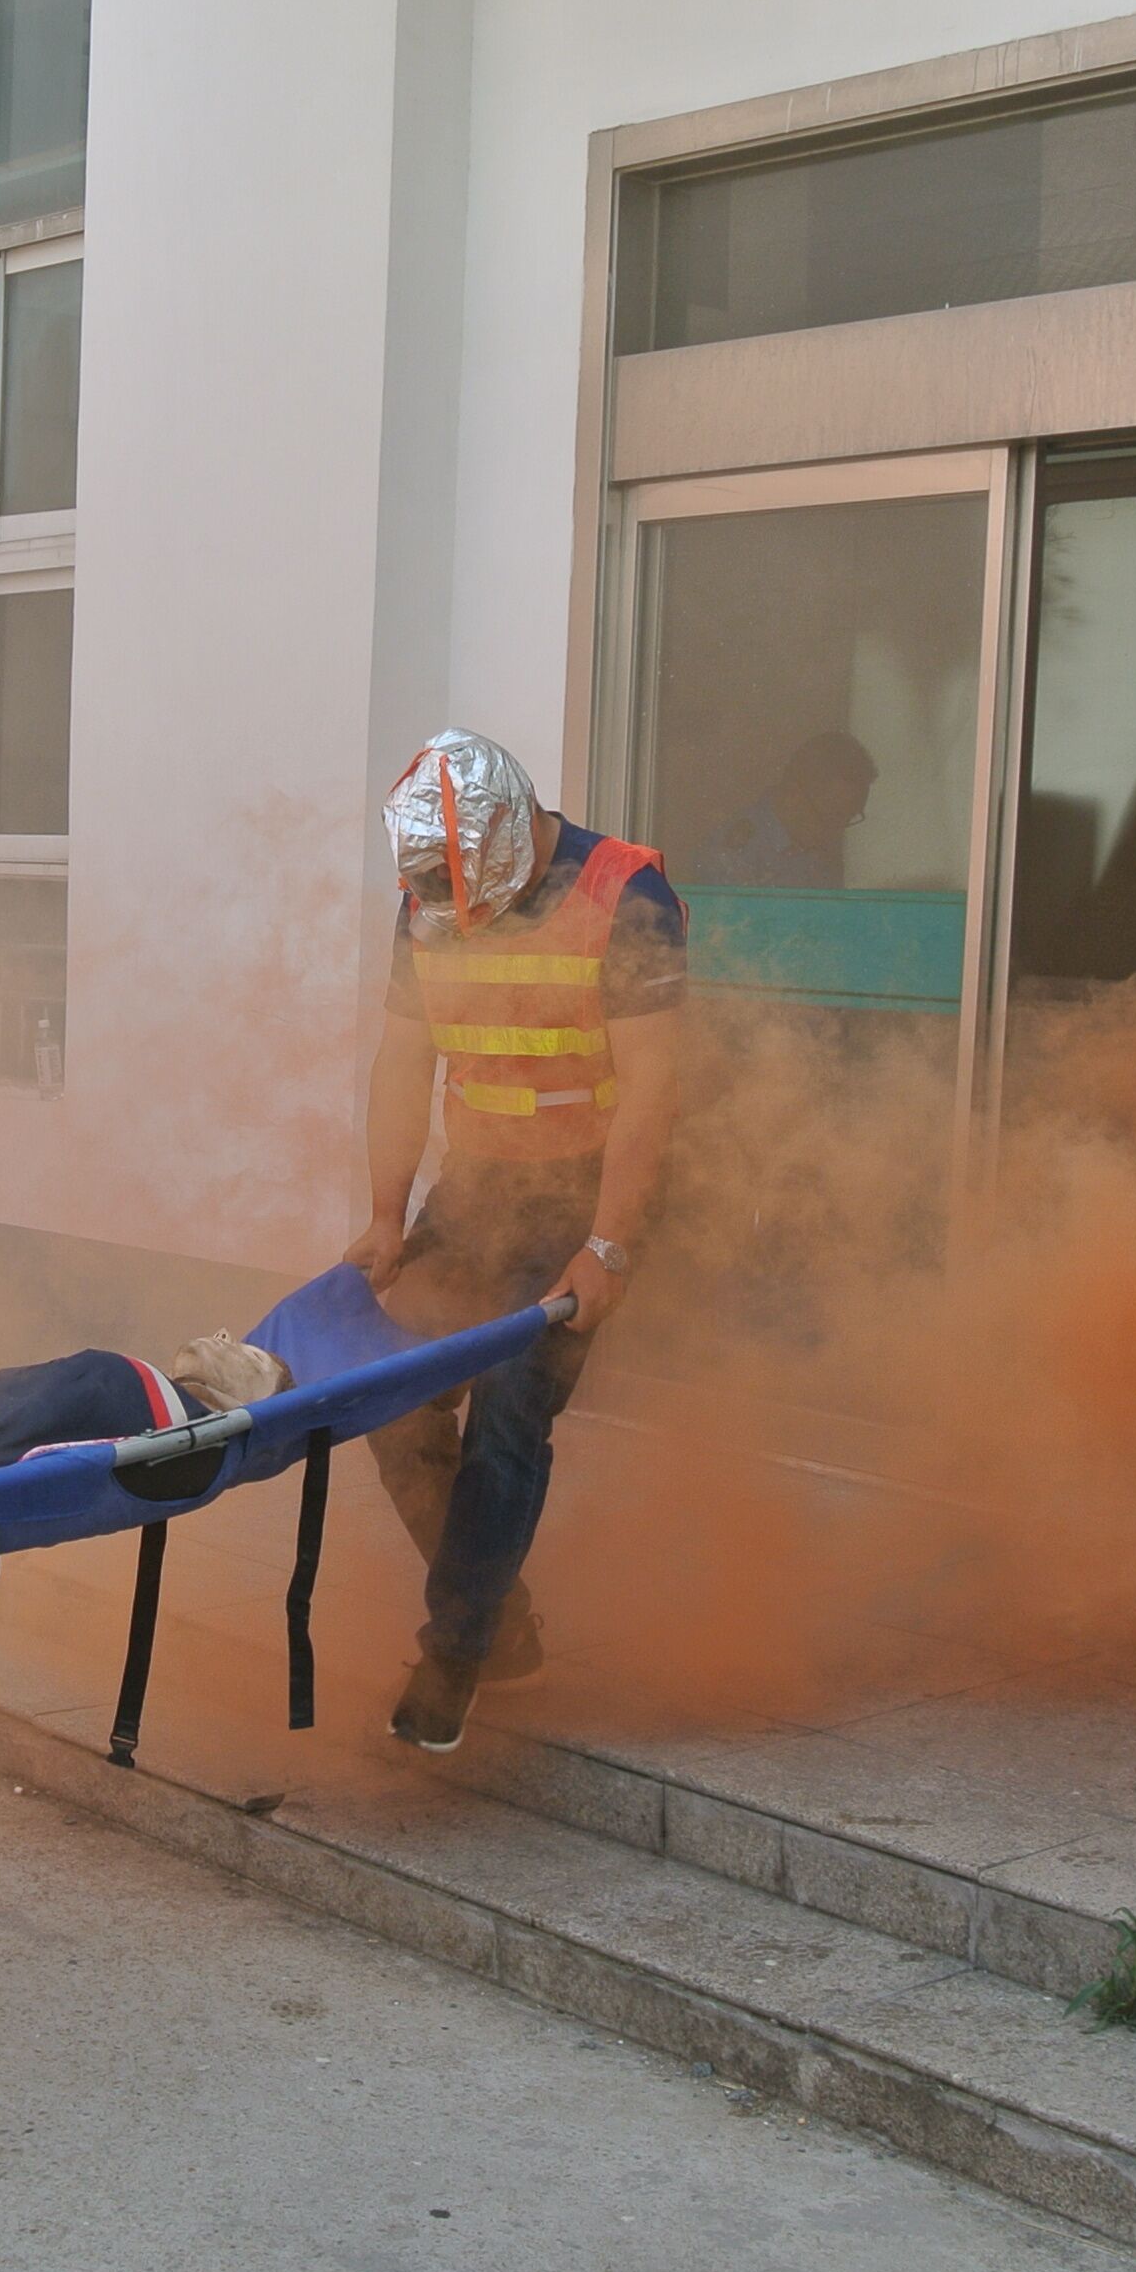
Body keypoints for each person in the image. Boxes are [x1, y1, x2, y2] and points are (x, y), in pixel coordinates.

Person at [349, 730, 686, 1754]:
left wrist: (608, 1247)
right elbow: (402, 1064)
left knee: (508, 1406)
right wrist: (385, 1214)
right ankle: (503, 1629)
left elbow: (652, 1094)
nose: (454, 919)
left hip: (585, 1195)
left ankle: (454, 1651)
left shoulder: (625, 898)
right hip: (476, 1191)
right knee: (391, 1395)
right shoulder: (429, 900)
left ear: (511, 839)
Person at [0, 1331, 291, 1500]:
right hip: (105, 1384)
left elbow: (16, 1442)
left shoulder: (179, 1417)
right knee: (0, 1393)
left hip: (114, 1391)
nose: (223, 1337)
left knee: (4, 1408)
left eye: (248, 1353)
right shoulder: (151, 1397)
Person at [688, 731, 878, 889]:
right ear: (794, 794)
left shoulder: (824, 857)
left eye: (848, 818)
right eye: (832, 816)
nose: (837, 830)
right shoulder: (735, 851)